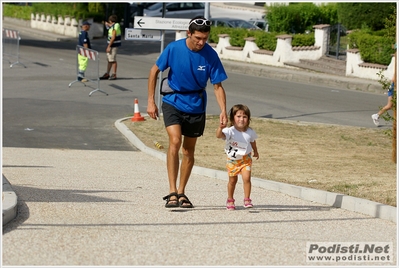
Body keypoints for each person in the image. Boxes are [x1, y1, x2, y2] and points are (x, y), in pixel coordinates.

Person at [147, 16, 228, 208]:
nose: (201, 42)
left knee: (188, 151)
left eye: (205, 39)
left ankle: (182, 191)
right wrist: (151, 101)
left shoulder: (210, 55)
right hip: (173, 100)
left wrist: (223, 110)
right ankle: (172, 191)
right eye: (197, 38)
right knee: (175, 141)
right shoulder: (174, 48)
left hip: (196, 104)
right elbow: (153, 72)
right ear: (189, 33)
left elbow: (217, 86)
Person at [216, 104, 259, 210]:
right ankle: (230, 199)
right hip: (233, 160)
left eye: (244, 117)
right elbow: (219, 135)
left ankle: (247, 199)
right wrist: (220, 127)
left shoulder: (250, 132)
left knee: (247, 178)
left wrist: (256, 151)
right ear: (233, 118)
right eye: (238, 116)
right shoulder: (229, 131)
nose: (241, 119)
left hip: (246, 158)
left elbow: (253, 142)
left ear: (248, 119)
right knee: (232, 180)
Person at [100, 15, 121, 80]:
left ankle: (114, 74)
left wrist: (109, 46)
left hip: (113, 45)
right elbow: (109, 27)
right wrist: (108, 25)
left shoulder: (115, 26)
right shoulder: (113, 26)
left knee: (113, 60)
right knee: (109, 60)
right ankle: (107, 73)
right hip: (111, 44)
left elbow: (113, 37)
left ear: (111, 21)